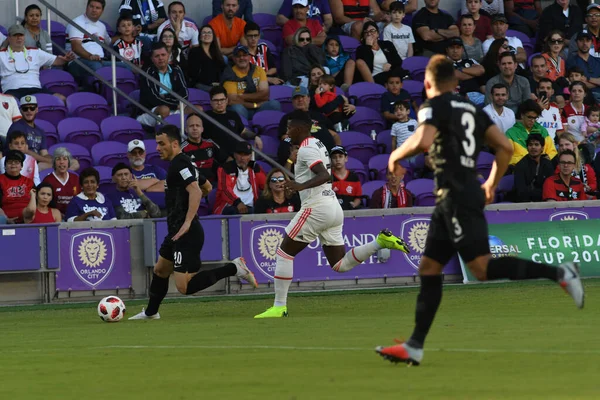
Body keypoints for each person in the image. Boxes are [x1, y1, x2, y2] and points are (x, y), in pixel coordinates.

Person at [376, 55, 584, 366]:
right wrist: (490, 183)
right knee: (430, 269)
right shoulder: (472, 109)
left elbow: (424, 139)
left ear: (428, 83)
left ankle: (559, 273)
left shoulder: (432, 106)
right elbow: (505, 146)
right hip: (456, 196)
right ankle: (415, 346)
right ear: (455, 81)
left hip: (458, 195)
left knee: (482, 268)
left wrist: (396, 156)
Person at [254, 110, 410, 318]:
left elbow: (324, 175)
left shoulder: (306, 149)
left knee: (284, 253)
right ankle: (380, 242)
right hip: (332, 207)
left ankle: (279, 306)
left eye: (290, 127)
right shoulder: (317, 144)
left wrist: (300, 186)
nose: (287, 130)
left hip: (316, 207)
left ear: (299, 129)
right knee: (339, 264)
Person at [129, 125, 258, 320]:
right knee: (160, 270)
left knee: (185, 286)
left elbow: (197, 191)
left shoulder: (180, 164)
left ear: (174, 144)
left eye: (161, 144)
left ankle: (235, 268)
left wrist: (188, 221)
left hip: (186, 232)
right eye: (156, 144)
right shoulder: (185, 163)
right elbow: (205, 186)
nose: (157, 148)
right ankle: (151, 313)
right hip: (176, 230)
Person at [1, 25, 75, 100]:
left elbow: (57, 61)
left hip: (35, 89)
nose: (19, 38)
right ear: (9, 38)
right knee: (8, 102)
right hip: (13, 90)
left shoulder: (35, 52)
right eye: (15, 35)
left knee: (62, 99)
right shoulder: (1, 54)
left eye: (21, 35)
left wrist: (65, 59)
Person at [137, 42, 189, 127]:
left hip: (174, 106)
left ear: (168, 55)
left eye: (163, 55)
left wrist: (166, 97)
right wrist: (176, 104)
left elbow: (184, 93)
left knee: (197, 109)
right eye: (157, 56)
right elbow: (154, 99)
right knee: (164, 110)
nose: (161, 58)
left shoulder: (176, 69)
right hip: (151, 111)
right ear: (152, 59)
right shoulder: (147, 73)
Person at [222, 45, 281, 120]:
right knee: (237, 108)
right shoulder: (229, 74)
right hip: (244, 108)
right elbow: (232, 100)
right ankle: (245, 130)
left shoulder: (258, 70)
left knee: (274, 104)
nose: (242, 58)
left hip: (259, 108)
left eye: (244, 55)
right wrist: (255, 105)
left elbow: (265, 95)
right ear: (233, 58)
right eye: (238, 56)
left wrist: (241, 96)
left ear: (249, 57)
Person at [202, 85, 260, 158]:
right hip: (217, 157)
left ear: (226, 100)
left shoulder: (233, 115)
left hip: (237, 154)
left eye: (222, 100)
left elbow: (243, 131)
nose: (219, 103)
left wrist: (255, 136)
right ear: (210, 102)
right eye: (216, 100)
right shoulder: (205, 116)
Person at [213, 141, 266, 215]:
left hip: (251, 207)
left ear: (250, 156)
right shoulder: (225, 168)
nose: (242, 158)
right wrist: (237, 203)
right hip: (229, 206)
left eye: (246, 155)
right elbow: (225, 190)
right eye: (240, 154)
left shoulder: (255, 168)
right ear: (234, 155)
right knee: (236, 212)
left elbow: (265, 186)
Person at [66, 0, 112, 80]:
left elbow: (109, 42)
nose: (94, 10)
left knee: (125, 66)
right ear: (87, 7)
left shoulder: (102, 26)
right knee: (97, 67)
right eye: (91, 6)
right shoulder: (77, 22)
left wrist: (124, 35)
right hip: (77, 61)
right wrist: (90, 56)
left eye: (97, 8)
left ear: (102, 11)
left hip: (99, 61)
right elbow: (76, 47)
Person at [6, 96, 55, 171]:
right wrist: (48, 160)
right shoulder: (17, 127)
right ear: (21, 111)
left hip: (38, 162)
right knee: (43, 165)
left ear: (37, 109)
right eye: (25, 109)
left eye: (32, 108)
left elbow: (44, 153)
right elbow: (23, 150)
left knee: (72, 162)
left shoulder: (40, 130)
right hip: (22, 163)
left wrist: (55, 160)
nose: (29, 111)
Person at [506, 99, 557, 166]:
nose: (532, 121)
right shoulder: (511, 133)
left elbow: (552, 151)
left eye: (535, 118)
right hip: (520, 169)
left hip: (542, 169)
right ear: (522, 115)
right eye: (529, 117)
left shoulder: (542, 130)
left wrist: (544, 159)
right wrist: (529, 160)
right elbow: (507, 158)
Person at [182, 113, 226, 184]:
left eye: (197, 125)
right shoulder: (182, 149)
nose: (195, 128)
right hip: (194, 186)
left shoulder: (210, 144)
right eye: (191, 126)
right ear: (186, 130)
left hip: (214, 184)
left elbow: (226, 159)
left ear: (202, 129)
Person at [513, 133, 555, 202]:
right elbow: (521, 191)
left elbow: (552, 187)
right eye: (530, 145)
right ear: (527, 148)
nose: (533, 147)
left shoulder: (547, 164)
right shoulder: (520, 165)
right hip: (525, 203)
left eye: (536, 144)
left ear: (542, 148)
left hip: (545, 200)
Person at [42, 147, 81, 215]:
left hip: (74, 215)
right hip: (55, 216)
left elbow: (80, 199)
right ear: (54, 162)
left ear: (68, 162)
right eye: (58, 159)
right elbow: (44, 203)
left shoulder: (75, 178)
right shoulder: (48, 180)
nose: (62, 162)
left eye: (65, 159)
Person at [446, 37, 485, 105]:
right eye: (452, 48)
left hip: (477, 95)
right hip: (457, 95)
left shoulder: (470, 61)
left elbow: (481, 70)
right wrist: (474, 73)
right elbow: (457, 75)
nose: (455, 51)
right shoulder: (443, 63)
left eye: (458, 48)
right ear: (447, 50)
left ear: (462, 49)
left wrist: (461, 69)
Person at [187, 25, 226, 90]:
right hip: (201, 85)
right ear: (200, 36)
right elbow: (193, 74)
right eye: (204, 32)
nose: (207, 34)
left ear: (213, 36)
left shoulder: (216, 53)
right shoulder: (194, 51)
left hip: (217, 85)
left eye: (209, 32)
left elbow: (223, 70)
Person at [0, 149, 34, 224]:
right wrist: (6, 219)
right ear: (5, 166)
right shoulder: (0, 180)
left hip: (28, 219)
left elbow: (35, 202)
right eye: (9, 162)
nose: (13, 164)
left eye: (16, 162)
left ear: (21, 166)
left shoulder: (29, 182)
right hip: (5, 220)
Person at [330, 146, 363, 210]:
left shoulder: (354, 177)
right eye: (334, 157)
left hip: (350, 212)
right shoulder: (328, 178)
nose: (337, 160)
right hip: (333, 212)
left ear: (346, 158)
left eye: (340, 156)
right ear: (331, 160)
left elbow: (358, 198)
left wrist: (354, 204)